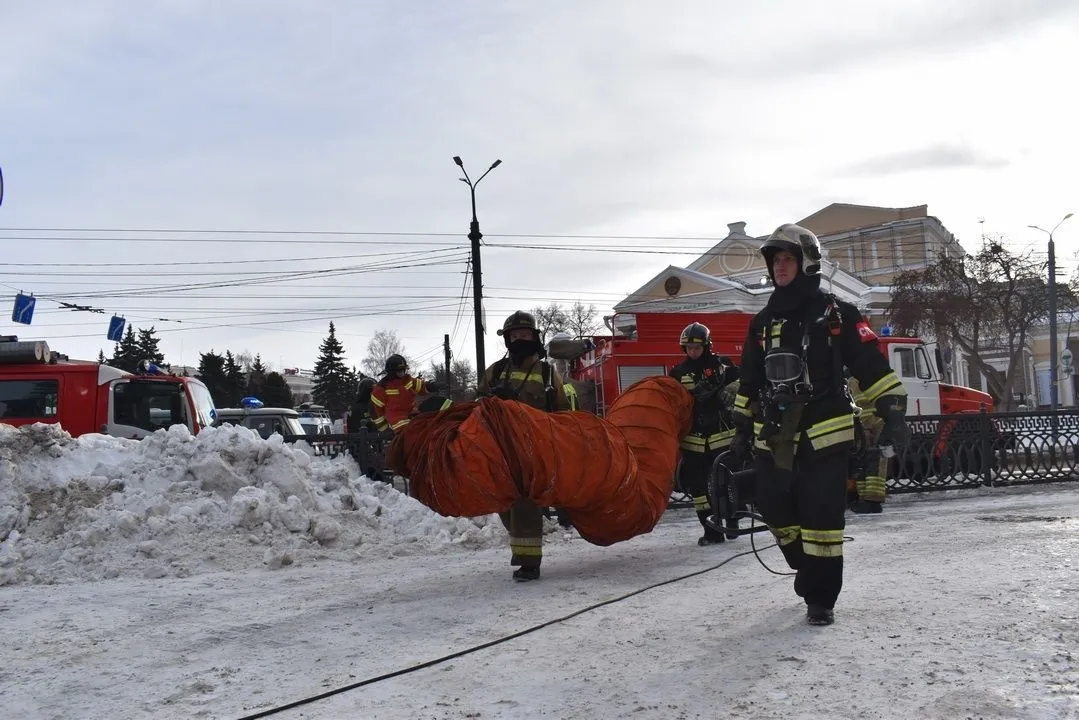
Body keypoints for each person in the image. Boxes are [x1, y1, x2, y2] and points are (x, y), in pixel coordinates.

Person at [731, 223, 908, 626]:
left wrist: (892, 408)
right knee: (774, 507)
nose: (780, 266)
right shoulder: (762, 322)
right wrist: (742, 425)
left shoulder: (837, 314)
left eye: (787, 258)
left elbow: (869, 364)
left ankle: (820, 599)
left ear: (807, 262)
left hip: (824, 432)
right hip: (774, 435)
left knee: (822, 518)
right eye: (775, 260)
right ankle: (806, 569)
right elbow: (749, 378)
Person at [477, 310, 573, 582]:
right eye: (515, 335)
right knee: (505, 503)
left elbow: (562, 410)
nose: (520, 339)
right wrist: (492, 401)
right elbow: (478, 407)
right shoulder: (495, 372)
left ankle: (529, 563)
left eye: (525, 334)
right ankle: (524, 546)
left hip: (535, 451)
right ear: (508, 340)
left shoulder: (546, 372)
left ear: (534, 337)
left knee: (524, 503)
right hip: (502, 450)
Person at [668, 323, 741, 545]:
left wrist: (733, 388)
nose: (692, 352)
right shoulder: (678, 373)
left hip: (721, 436)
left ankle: (732, 522)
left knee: (726, 482)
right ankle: (711, 531)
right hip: (693, 440)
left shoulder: (723, 366)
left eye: (697, 348)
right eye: (688, 348)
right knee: (698, 488)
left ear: (707, 346)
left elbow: (745, 381)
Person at [846, 375, 888, 514]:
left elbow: (862, 404)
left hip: (873, 425)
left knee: (874, 463)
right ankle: (865, 499)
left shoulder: (856, 380)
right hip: (866, 425)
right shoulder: (855, 380)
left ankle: (873, 501)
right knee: (864, 463)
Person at [370, 355, 429, 440]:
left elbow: (421, 386)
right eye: (399, 371)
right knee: (412, 433)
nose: (402, 373)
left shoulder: (407, 380)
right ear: (392, 372)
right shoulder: (381, 388)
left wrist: (432, 385)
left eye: (403, 370)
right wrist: (384, 429)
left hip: (412, 415)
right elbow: (374, 410)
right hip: (397, 422)